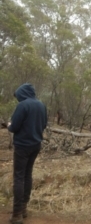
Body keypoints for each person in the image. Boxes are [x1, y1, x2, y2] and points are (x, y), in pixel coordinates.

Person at [8, 83, 47, 224]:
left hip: (22, 146)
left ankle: (17, 214)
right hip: (36, 145)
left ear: (22, 94)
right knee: (27, 175)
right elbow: (44, 125)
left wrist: (8, 125)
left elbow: (14, 127)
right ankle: (23, 208)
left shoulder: (23, 105)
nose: (18, 99)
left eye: (18, 96)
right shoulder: (42, 105)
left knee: (19, 177)